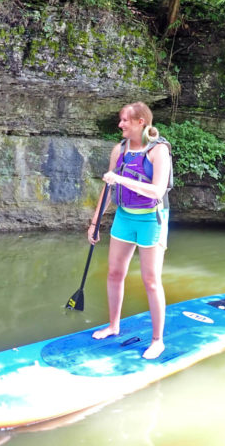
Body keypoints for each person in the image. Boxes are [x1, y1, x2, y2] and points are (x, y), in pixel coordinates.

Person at [87, 101, 172, 360]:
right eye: (120, 119)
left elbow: (157, 191)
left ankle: (158, 340)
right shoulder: (120, 150)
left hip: (151, 219)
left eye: (125, 120)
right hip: (124, 217)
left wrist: (121, 178)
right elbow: (109, 189)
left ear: (140, 122)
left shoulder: (159, 152)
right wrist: (94, 222)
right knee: (114, 273)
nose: (120, 124)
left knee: (151, 280)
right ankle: (114, 326)